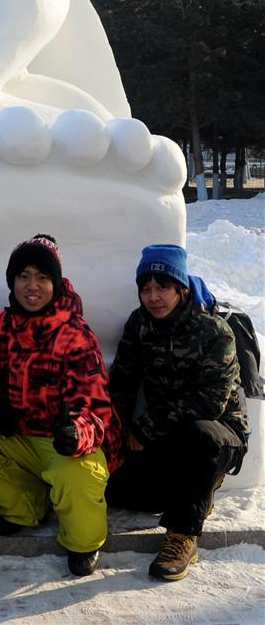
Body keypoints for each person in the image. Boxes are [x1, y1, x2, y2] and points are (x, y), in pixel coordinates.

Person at [0, 234, 121, 577]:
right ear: (12, 282)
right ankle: (24, 508)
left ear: (55, 284)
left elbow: (95, 404)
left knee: (79, 471)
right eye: (24, 276)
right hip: (20, 437)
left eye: (42, 277)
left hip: (66, 442)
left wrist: (78, 432)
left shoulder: (75, 333)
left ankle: (83, 542)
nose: (33, 286)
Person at [106, 244, 249, 582]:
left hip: (218, 434)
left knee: (199, 435)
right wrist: (121, 432)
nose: (154, 296)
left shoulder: (214, 331)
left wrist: (147, 429)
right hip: (165, 437)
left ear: (180, 288)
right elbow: (122, 383)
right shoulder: (140, 325)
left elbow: (210, 402)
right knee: (118, 492)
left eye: (163, 287)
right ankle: (197, 491)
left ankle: (183, 535)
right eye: (146, 288)